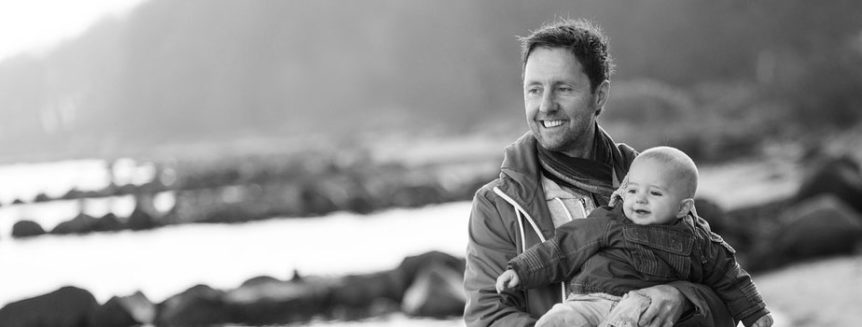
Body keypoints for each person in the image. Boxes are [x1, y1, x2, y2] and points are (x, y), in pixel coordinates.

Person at [463, 18, 736, 327]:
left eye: (563, 88)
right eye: (534, 90)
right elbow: (488, 317)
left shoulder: (654, 181)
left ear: (600, 95)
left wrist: (681, 298)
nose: (546, 105)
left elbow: (722, 295)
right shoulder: (496, 205)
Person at [494, 147, 773, 327]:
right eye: (633, 190)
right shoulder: (611, 219)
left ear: (683, 207)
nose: (640, 200)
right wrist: (521, 269)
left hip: (641, 307)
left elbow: (730, 277)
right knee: (559, 319)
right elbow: (565, 247)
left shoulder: (700, 242)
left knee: (630, 320)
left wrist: (755, 313)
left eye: (654, 193)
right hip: (592, 300)